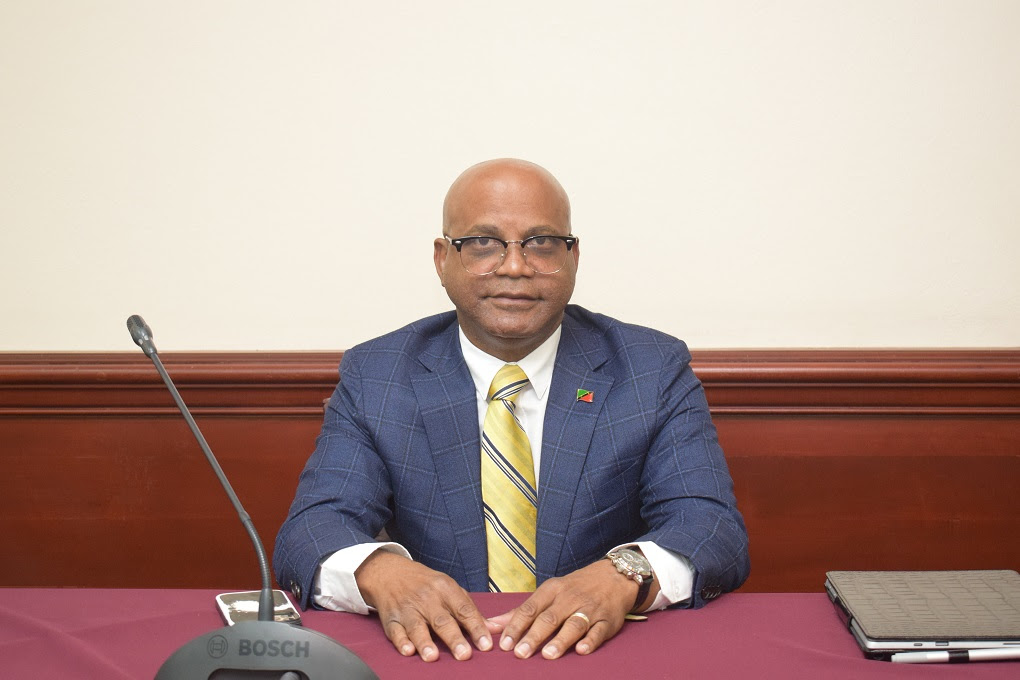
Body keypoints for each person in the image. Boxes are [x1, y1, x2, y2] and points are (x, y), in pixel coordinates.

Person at [274, 158, 749, 662]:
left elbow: (710, 525)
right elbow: (311, 528)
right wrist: (382, 572)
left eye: (541, 243)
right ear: (442, 259)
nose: (515, 266)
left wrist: (622, 576)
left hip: (595, 654)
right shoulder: (379, 374)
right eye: (483, 243)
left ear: (573, 257)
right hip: (444, 655)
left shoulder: (650, 369)